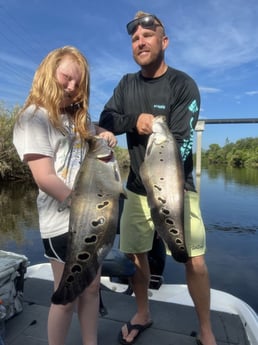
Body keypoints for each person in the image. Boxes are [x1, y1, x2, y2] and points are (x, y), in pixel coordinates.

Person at [99, 11, 217, 345]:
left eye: (147, 36)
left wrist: (157, 142)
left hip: (178, 188)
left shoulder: (183, 85)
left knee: (194, 259)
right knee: (136, 254)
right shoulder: (125, 84)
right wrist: (135, 121)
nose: (140, 42)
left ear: (164, 42)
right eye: (135, 39)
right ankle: (142, 312)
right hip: (136, 189)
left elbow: (181, 141)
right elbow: (107, 118)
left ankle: (206, 329)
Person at [13, 46, 117, 345]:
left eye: (78, 84)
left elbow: (86, 133)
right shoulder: (33, 118)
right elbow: (44, 178)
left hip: (91, 221)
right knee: (66, 295)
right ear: (49, 73)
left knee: (93, 288)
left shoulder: (74, 118)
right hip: (62, 223)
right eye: (66, 78)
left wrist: (103, 133)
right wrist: (83, 208)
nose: (71, 87)